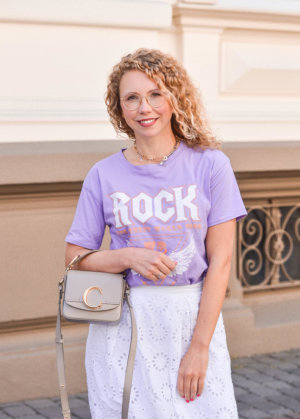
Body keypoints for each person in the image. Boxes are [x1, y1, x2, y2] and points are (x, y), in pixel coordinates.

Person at [65, 48, 247, 419]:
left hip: (190, 318)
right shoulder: (103, 174)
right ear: (119, 109)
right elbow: (74, 257)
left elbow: (221, 262)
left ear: (174, 98)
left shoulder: (210, 165)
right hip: (124, 326)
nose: (144, 107)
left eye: (155, 94)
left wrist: (199, 347)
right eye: (131, 98)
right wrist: (128, 256)